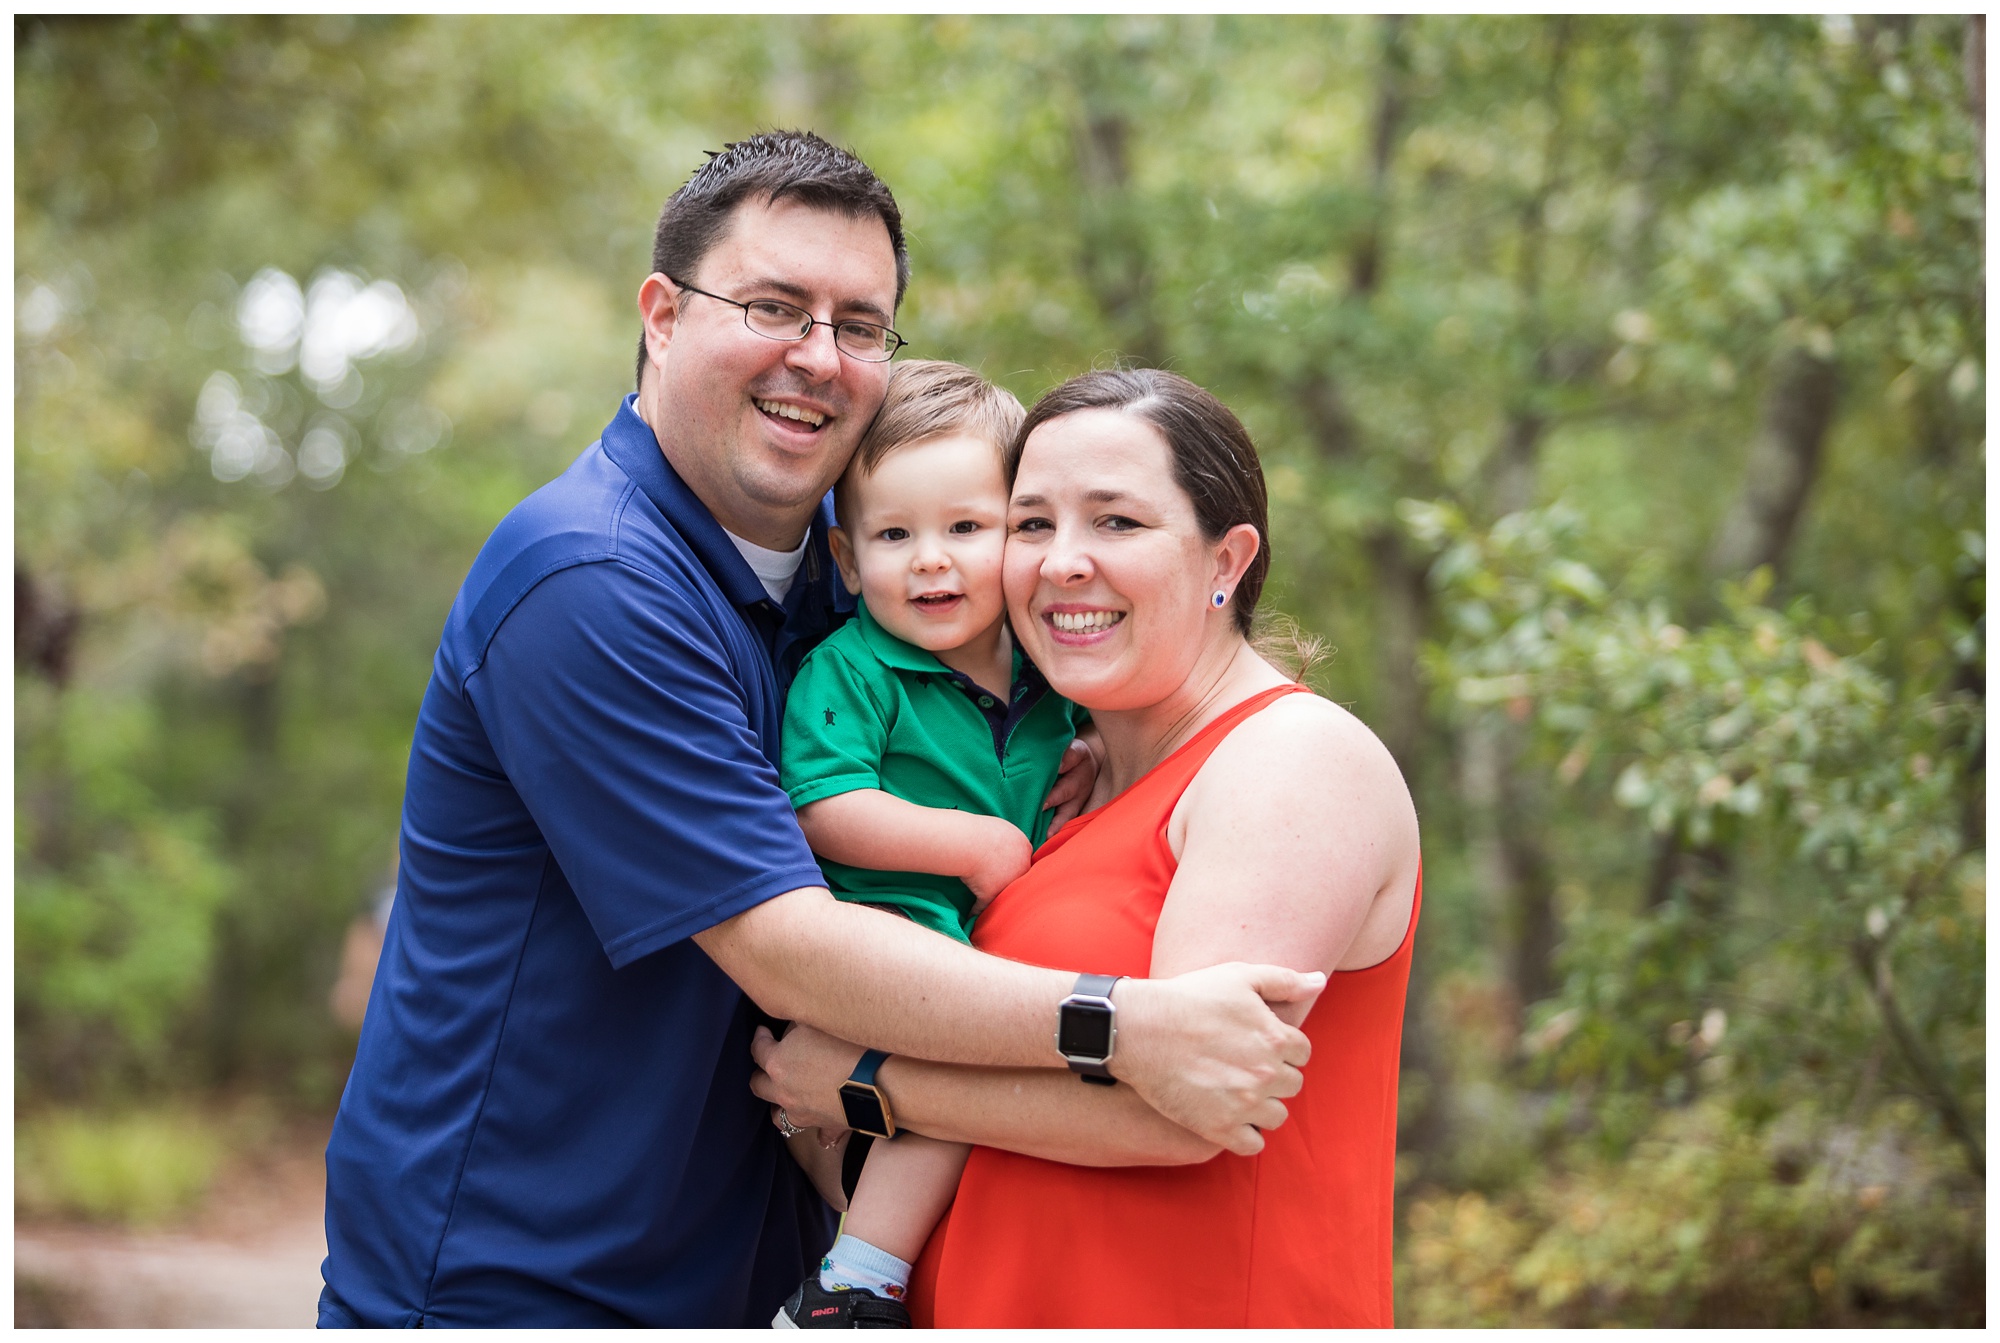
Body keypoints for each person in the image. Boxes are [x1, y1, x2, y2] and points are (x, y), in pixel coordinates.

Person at [319, 132, 1324, 1329]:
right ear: (660, 314)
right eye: (772, 305)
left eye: (860, 324)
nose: (818, 357)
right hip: (525, 1283)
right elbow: (784, 947)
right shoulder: (589, 577)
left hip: (743, 1272)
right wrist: (1118, 1023)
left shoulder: (845, 594)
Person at [751, 368, 1422, 1328]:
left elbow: (1184, 1106)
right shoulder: (1066, 779)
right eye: (1032, 523)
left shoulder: (1291, 760)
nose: (1063, 561)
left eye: (1116, 522)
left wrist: (872, 1085)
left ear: (1226, 559)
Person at [773, 360, 1089, 1325]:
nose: (931, 561)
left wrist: (1089, 754)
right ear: (843, 553)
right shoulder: (854, 667)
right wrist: (971, 842)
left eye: (966, 527)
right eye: (895, 535)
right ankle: (854, 1280)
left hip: (997, 945)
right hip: (892, 931)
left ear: (1019, 533)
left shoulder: (1051, 673)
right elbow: (824, 803)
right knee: (965, 1086)